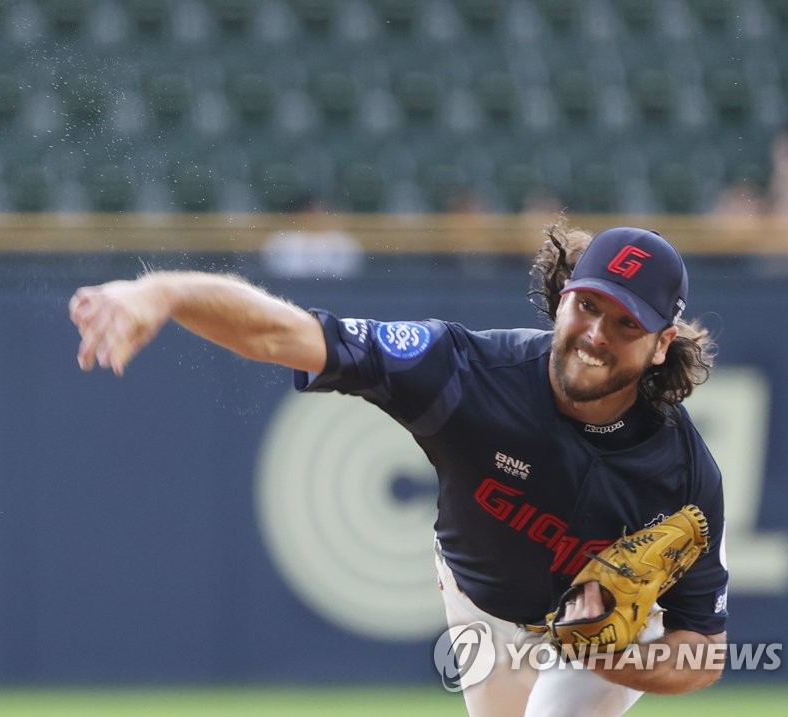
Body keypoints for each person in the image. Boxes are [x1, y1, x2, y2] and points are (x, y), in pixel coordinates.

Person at [69, 221, 728, 716]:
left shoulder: (684, 475)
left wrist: (615, 655)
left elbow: (702, 649)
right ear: (562, 298)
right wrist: (161, 292)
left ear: (662, 342)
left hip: (607, 619)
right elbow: (288, 334)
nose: (595, 333)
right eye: (588, 304)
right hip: (483, 601)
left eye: (625, 322)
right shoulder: (467, 375)